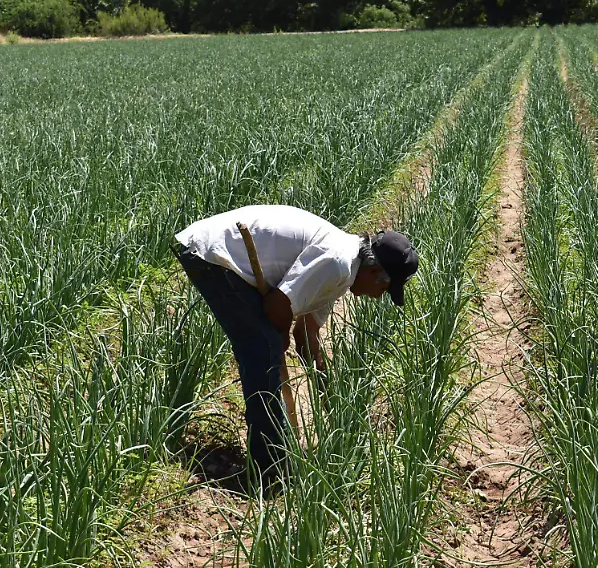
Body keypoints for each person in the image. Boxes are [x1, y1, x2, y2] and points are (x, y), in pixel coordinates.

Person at [173, 204, 419, 477]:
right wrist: (278, 337)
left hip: (225, 254)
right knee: (262, 351)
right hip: (215, 254)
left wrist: (331, 396)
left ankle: (272, 453)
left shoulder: (343, 272)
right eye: (384, 289)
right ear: (374, 272)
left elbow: (306, 337)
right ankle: (269, 467)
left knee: (266, 345)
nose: (378, 296)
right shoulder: (338, 263)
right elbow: (277, 305)